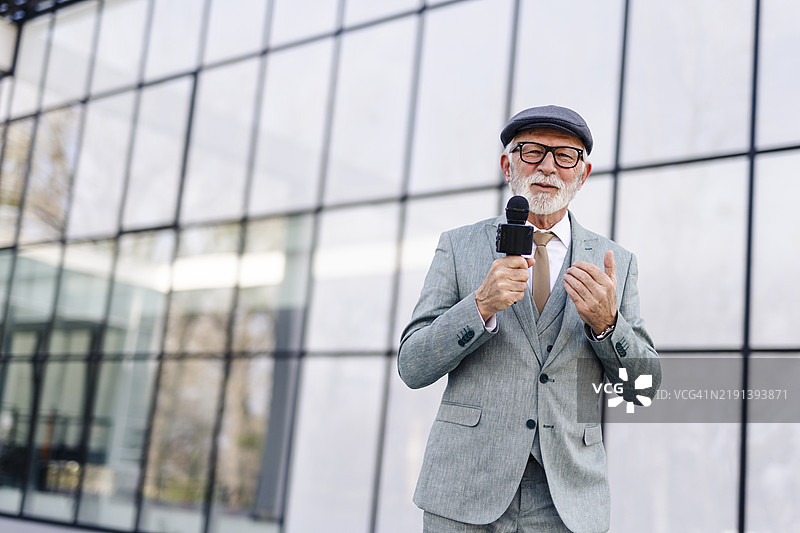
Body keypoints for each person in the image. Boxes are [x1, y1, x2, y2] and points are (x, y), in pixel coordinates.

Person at [398, 105, 661, 533]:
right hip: (465, 491)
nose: (547, 167)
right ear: (508, 164)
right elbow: (411, 365)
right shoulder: (458, 246)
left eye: (564, 156)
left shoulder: (618, 264)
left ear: (583, 174)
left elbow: (642, 390)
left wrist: (608, 326)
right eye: (532, 151)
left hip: (567, 502)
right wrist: (479, 306)